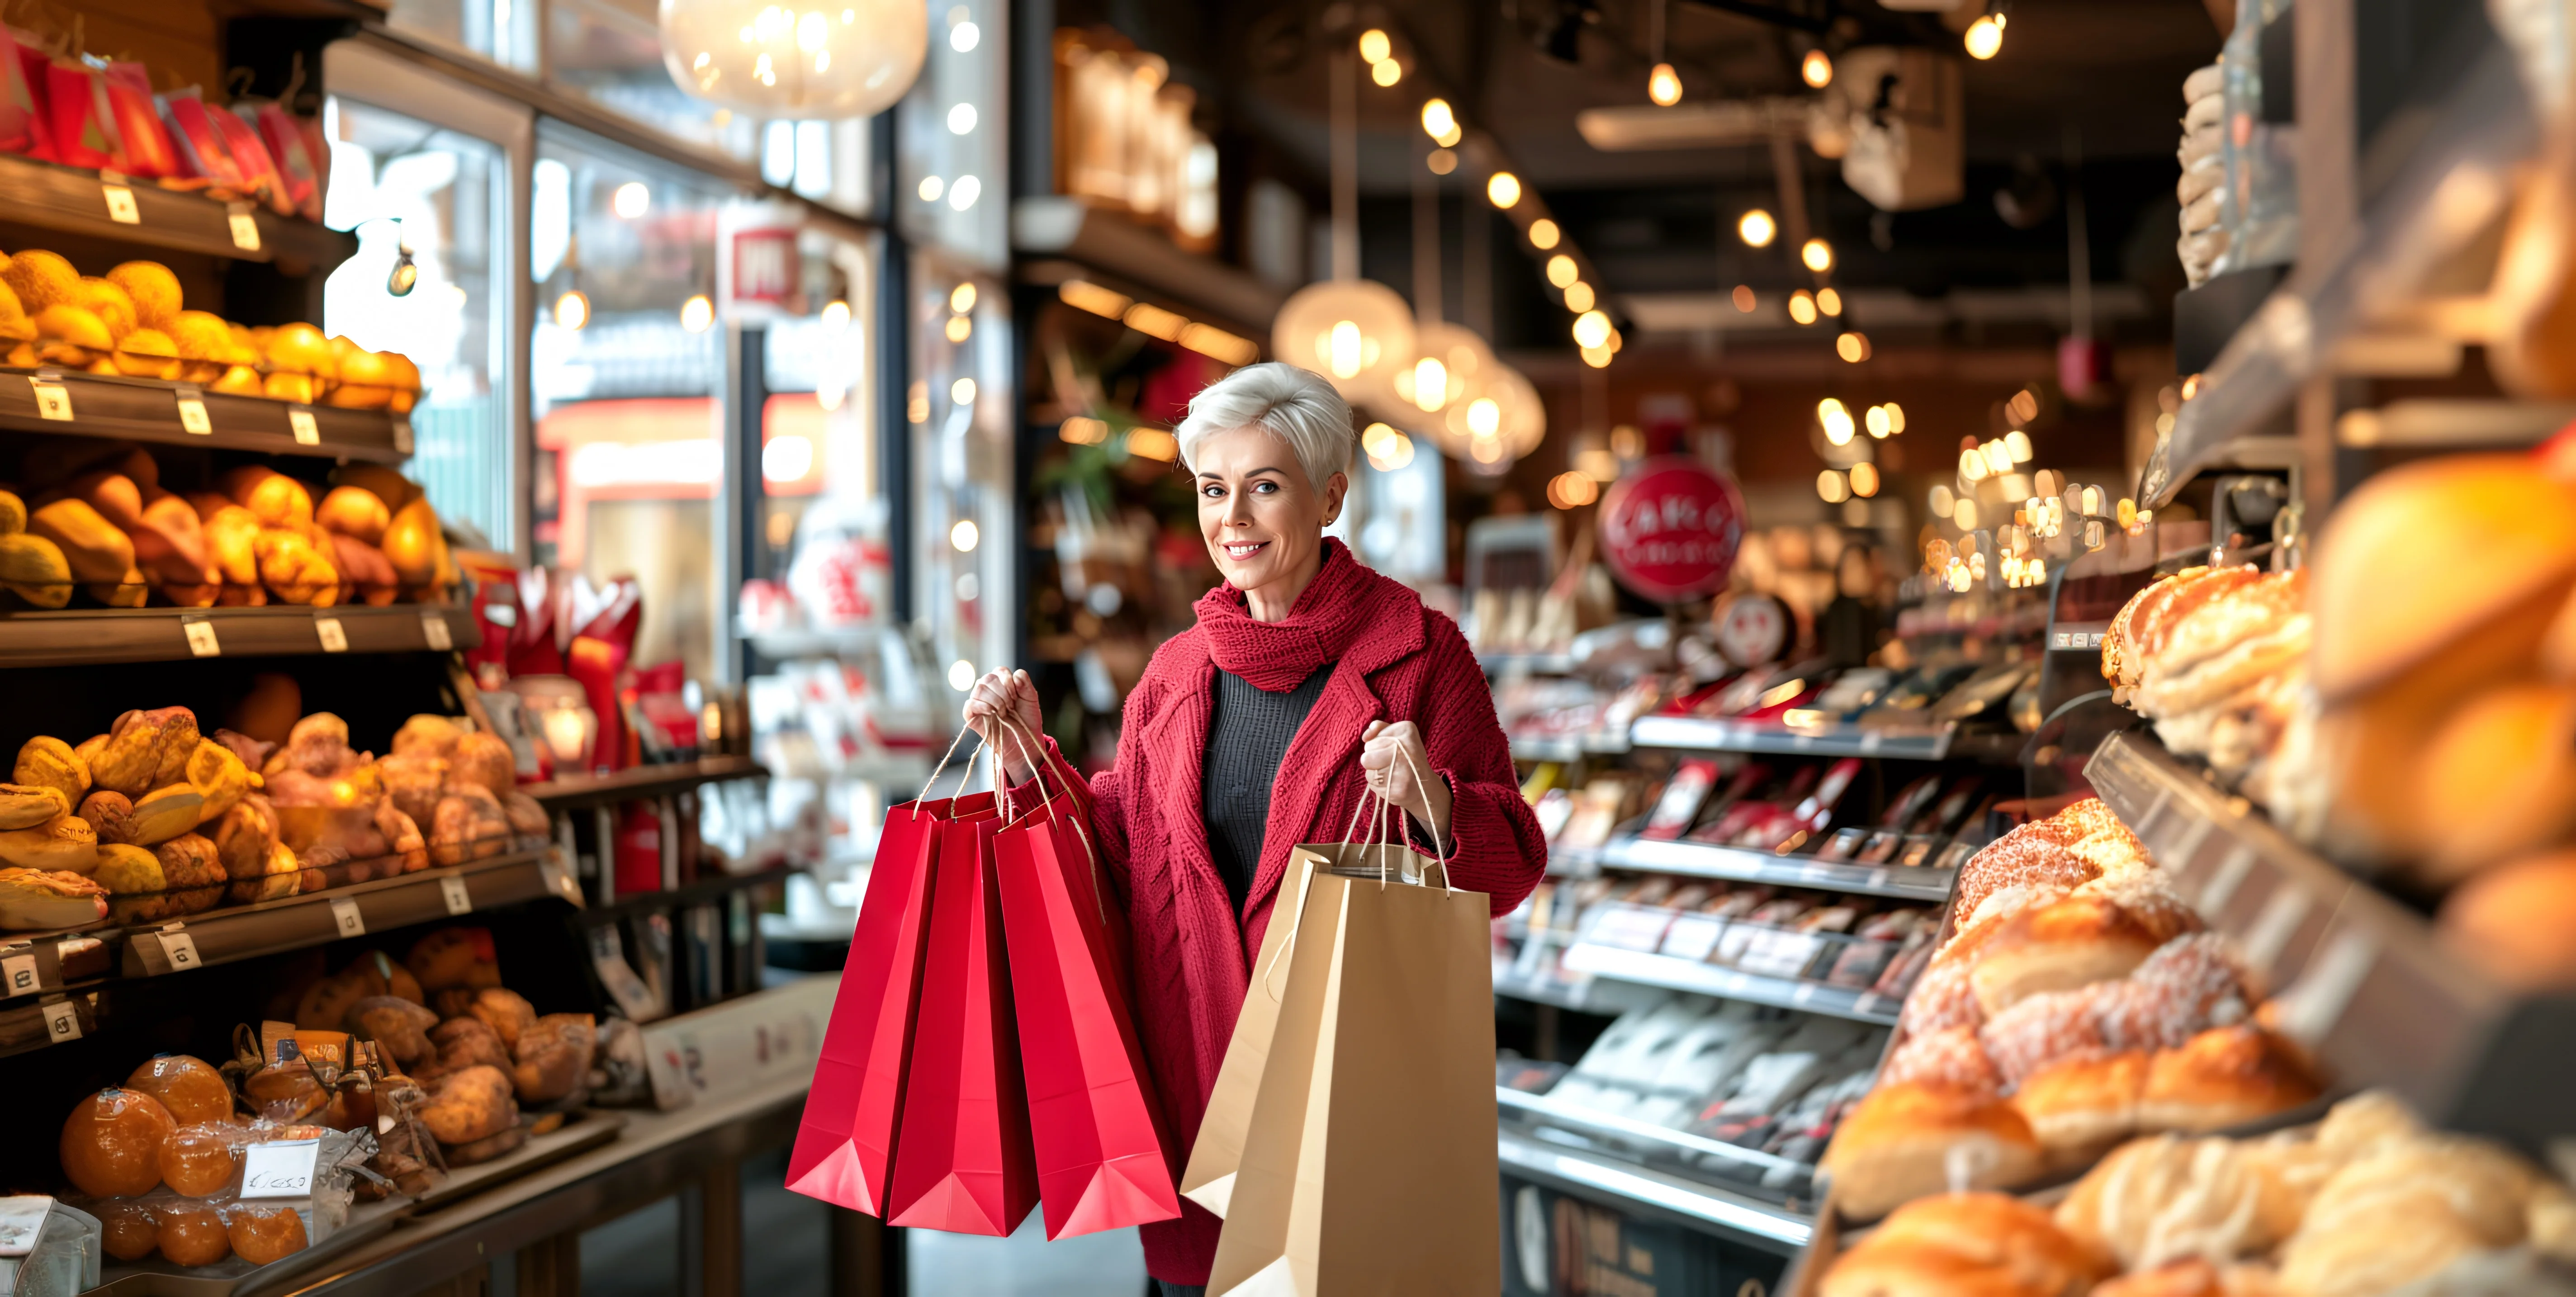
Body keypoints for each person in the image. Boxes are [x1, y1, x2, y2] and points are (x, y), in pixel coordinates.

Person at [964, 361, 1544, 1295]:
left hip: (1348, 1103)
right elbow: (1118, 854)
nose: (1232, 517)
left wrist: (1435, 804)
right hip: (1196, 1099)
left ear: (1329, 496)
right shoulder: (1173, 674)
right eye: (1212, 489)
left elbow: (1513, 862)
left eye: (1263, 486)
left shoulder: (1420, 656)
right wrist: (1030, 758)